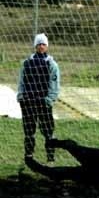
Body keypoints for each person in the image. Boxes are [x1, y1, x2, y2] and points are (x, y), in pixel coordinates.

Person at [17, 33, 60, 163]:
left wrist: (50, 99)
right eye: (39, 44)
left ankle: (50, 158)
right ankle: (29, 157)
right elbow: (21, 81)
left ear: (47, 46)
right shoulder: (27, 63)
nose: (41, 46)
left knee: (48, 131)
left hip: (43, 102)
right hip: (28, 101)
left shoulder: (52, 64)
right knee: (29, 131)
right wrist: (21, 96)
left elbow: (55, 84)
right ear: (35, 46)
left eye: (43, 44)